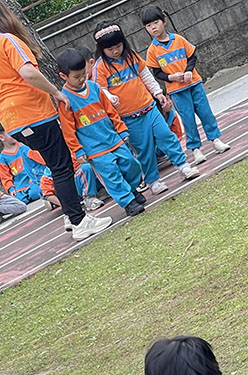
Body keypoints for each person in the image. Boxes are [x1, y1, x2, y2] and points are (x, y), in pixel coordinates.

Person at [0, 0, 112, 241]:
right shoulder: (8, 41)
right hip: (34, 114)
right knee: (62, 166)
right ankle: (78, 220)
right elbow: (27, 72)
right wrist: (56, 92)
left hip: (12, 122)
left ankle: (71, 215)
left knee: (56, 166)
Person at [92, 21, 199, 195]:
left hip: (149, 108)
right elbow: (100, 89)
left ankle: (183, 166)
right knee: (144, 150)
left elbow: (145, 75)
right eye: (110, 49)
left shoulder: (131, 56)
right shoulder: (100, 67)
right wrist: (110, 97)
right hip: (129, 118)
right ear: (101, 49)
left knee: (166, 136)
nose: (116, 51)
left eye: (118, 46)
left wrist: (157, 92)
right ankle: (153, 180)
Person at [56, 48, 147, 219]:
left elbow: (111, 111)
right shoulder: (65, 100)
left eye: (84, 73)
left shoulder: (94, 87)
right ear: (63, 76)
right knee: (111, 175)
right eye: (76, 77)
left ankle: (132, 189)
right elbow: (68, 129)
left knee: (131, 164)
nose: (82, 79)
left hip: (113, 139)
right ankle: (128, 202)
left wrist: (121, 129)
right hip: (95, 149)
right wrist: (78, 150)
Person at [143, 7, 230, 166]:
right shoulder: (152, 51)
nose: (153, 27)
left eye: (156, 22)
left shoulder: (178, 39)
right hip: (176, 91)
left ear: (164, 21)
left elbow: (192, 57)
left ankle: (215, 139)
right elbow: (157, 72)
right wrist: (171, 77)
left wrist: (189, 71)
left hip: (193, 84)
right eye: (149, 25)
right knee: (188, 119)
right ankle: (195, 149)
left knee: (205, 113)